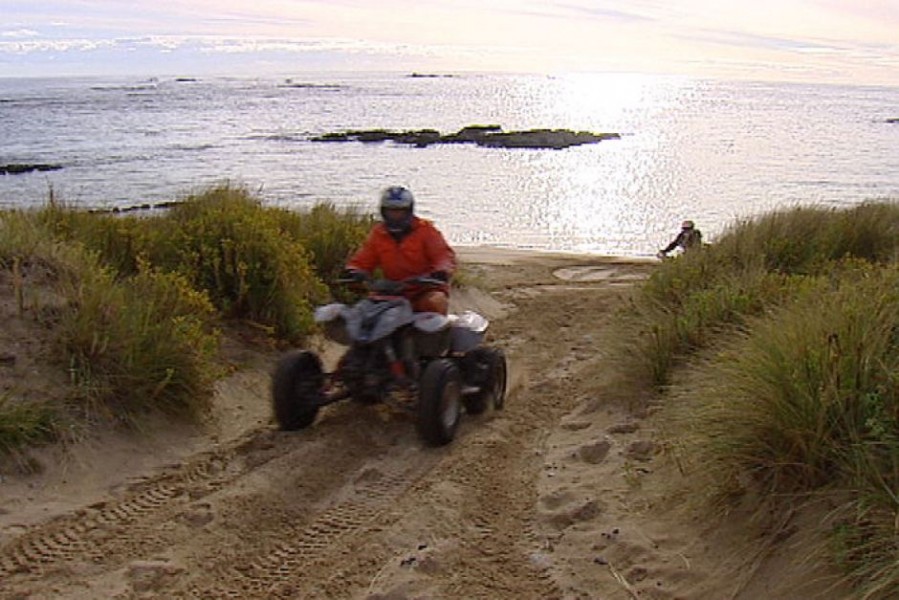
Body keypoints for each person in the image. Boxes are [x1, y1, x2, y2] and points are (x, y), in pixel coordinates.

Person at [345, 186, 456, 314]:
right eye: (390, 211)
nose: (395, 216)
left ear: (409, 211)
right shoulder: (379, 233)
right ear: (383, 211)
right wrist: (354, 271)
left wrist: (441, 271)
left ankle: (438, 334)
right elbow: (364, 259)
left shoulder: (426, 231)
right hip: (392, 291)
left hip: (424, 290)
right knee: (362, 313)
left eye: (399, 211)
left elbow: (443, 255)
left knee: (433, 304)